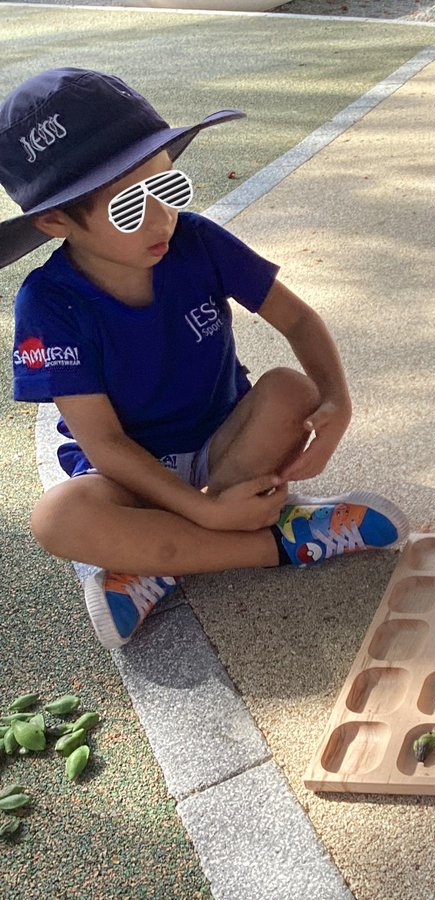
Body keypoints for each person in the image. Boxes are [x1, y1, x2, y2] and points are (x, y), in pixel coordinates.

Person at [1, 68, 408, 649]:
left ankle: (156, 559)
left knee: (292, 389)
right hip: (128, 478)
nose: (162, 219)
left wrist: (337, 400)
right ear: (54, 220)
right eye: (126, 209)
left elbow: (297, 319)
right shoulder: (49, 302)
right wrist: (206, 511)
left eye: (167, 189)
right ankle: (282, 540)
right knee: (58, 518)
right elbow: (107, 446)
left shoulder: (198, 240)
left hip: (226, 445)